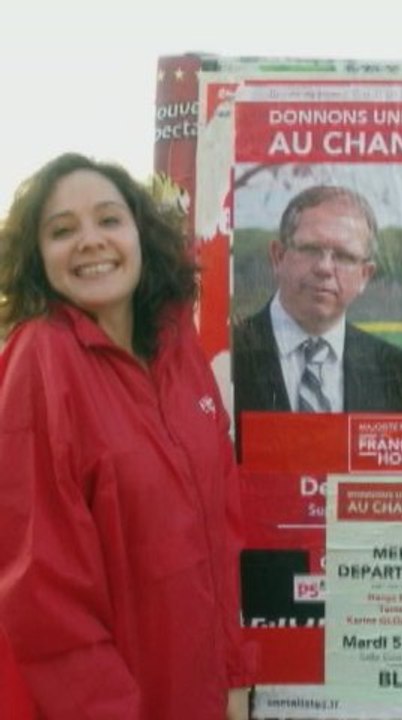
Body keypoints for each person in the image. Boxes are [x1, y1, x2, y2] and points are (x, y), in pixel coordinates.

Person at [0, 153, 255, 720]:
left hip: (198, 694)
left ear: (140, 233)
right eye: (62, 230)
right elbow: (43, 594)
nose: (90, 240)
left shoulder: (175, 344)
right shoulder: (41, 364)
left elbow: (223, 523)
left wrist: (235, 677)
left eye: (109, 219)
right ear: (39, 258)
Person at [232, 185, 402, 416]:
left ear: (365, 275)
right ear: (278, 257)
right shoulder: (227, 351)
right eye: (310, 249)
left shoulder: (396, 368)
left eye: (343, 256)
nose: (324, 268)